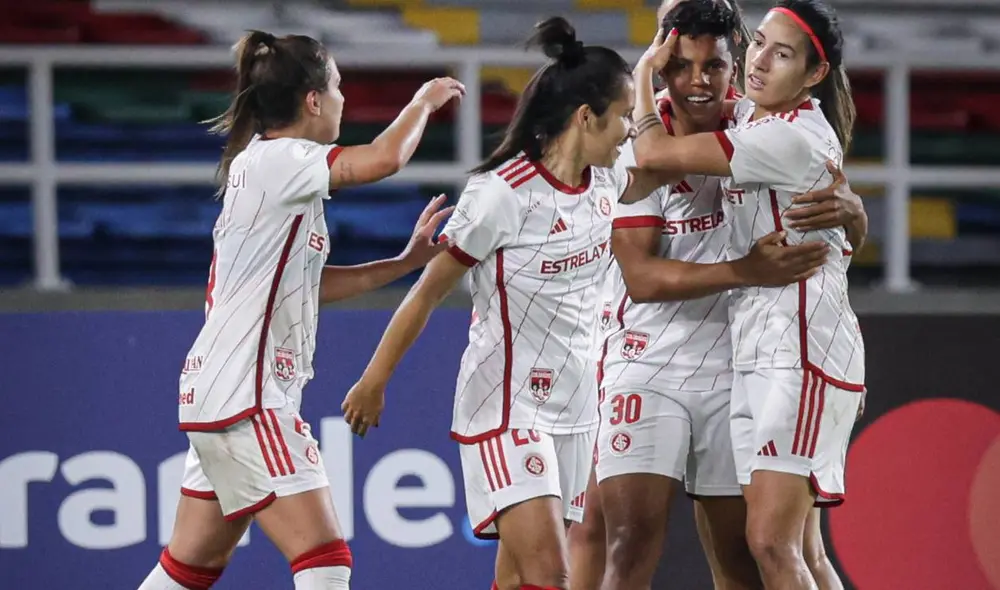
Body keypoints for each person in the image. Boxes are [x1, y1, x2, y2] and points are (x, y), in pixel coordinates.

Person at [339, 17, 675, 590]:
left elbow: (666, 155)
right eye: (622, 116)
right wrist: (374, 380)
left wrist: (651, 75)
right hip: (507, 408)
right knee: (551, 575)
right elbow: (427, 292)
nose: (628, 131)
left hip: (577, 410)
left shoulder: (606, 178)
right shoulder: (502, 193)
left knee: (519, 579)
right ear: (585, 116)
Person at [137, 30, 464, 590]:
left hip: (222, 394)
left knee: (188, 569)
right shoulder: (282, 159)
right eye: (337, 87)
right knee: (325, 558)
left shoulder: (264, 168)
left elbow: (305, 286)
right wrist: (423, 102)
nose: (343, 99)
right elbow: (383, 159)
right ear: (313, 100)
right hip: (248, 397)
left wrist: (403, 263)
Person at [630, 1, 865, 588]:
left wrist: (642, 74)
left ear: (815, 73)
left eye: (781, 54)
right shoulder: (752, 119)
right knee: (800, 548)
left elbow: (653, 153)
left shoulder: (788, 135)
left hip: (802, 350)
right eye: (758, 43)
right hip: (758, 348)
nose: (759, 61)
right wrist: (856, 214)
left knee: (770, 542)